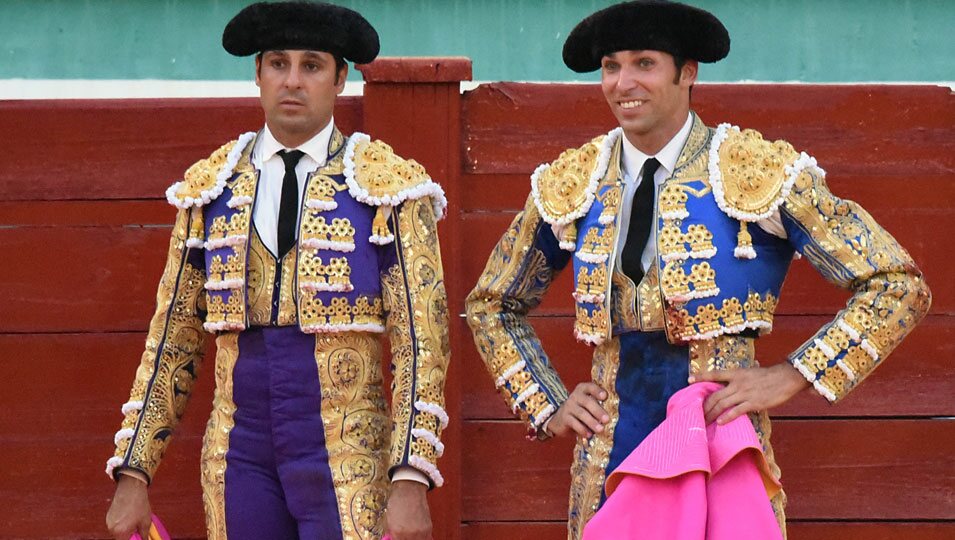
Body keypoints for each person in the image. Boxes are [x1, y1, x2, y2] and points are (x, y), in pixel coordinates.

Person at [464, 1, 931, 538]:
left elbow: (896, 282)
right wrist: (545, 402)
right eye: (611, 66)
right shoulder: (575, 180)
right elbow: (492, 304)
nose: (622, 83)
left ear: (688, 74)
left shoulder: (755, 169)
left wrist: (792, 375)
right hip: (610, 444)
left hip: (719, 435)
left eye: (644, 64)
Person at [105, 2, 450, 539]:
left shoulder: (389, 188)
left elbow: (421, 343)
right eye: (277, 64)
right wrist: (134, 468)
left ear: (340, 78)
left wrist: (410, 476)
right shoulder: (210, 190)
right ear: (258, 74)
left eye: (311, 65)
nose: (292, 81)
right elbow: (173, 338)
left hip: (347, 447)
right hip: (238, 454)